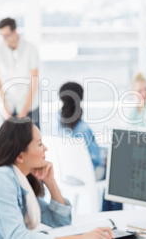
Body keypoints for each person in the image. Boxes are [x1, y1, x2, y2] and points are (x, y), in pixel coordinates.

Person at [0, 118, 113, 239]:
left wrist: (50, 182)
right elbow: (18, 236)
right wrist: (81, 238)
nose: (45, 148)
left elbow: (60, 222)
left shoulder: (20, 181)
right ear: (20, 156)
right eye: (39, 144)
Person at [55, 82, 122, 212]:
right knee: (115, 172)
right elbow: (97, 158)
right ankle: (111, 213)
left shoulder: (58, 123)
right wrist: (108, 159)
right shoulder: (83, 128)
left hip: (68, 176)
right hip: (86, 176)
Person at [0, 17, 40, 128]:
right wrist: (4, 107)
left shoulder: (30, 49)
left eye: (7, 36)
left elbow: (34, 82)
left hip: (29, 105)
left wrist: (25, 110)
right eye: (2, 36)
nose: (4, 39)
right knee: (7, 143)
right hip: (8, 106)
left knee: (33, 141)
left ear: (15, 32)